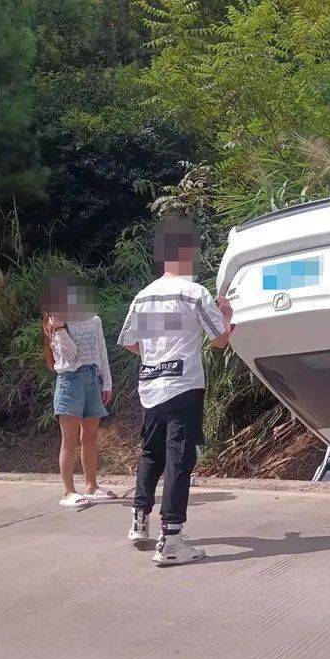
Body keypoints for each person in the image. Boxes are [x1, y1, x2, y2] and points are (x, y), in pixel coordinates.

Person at [118, 219, 233, 565]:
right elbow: (220, 340)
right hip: (183, 386)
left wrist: (156, 355)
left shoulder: (143, 295)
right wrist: (228, 314)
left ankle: (140, 521)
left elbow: (130, 343)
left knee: (151, 453)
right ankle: (171, 540)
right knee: (179, 459)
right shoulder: (194, 293)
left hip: (150, 386)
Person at [40, 275, 116, 507]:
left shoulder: (94, 320)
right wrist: (60, 328)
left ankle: (91, 486)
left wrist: (107, 382)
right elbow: (69, 356)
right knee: (69, 440)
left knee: (90, 436)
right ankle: (68, 492)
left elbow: (101, 352)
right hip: (70, 380)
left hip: (93, 378)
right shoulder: (56, 325)